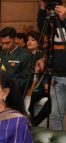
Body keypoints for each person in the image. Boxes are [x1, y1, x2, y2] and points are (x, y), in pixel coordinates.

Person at [38, 0, 66, 130]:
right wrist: (43, 9)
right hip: (58, 75)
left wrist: (65, 19)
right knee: (55, 116)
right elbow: (42, 29)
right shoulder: (54, 20)